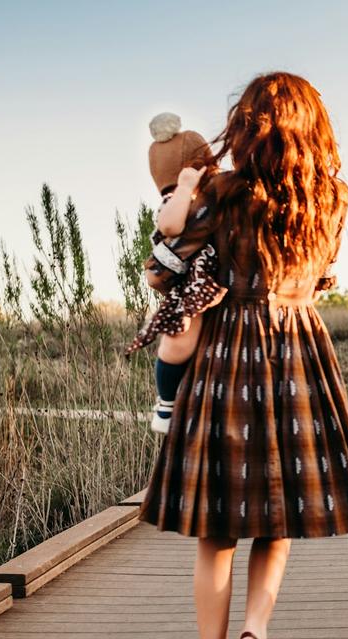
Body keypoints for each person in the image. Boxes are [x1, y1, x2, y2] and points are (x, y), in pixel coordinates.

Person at [137, 72, 348, 639]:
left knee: (217, 530)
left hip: (227, 356)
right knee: (277, 515)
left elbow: (165, 269)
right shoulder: (327, 200)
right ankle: (255, 637)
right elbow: (326, 272)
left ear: (245, 127)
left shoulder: (221, 194)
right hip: (298, 350)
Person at [127, 114, 224, 433]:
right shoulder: (176, 197)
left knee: (194, 341)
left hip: (206, 278)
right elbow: (169, 226)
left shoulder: (209, 198)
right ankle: (166, 406)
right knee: (179, 338)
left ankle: (186, 400)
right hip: (189, 283)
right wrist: (184, 187)